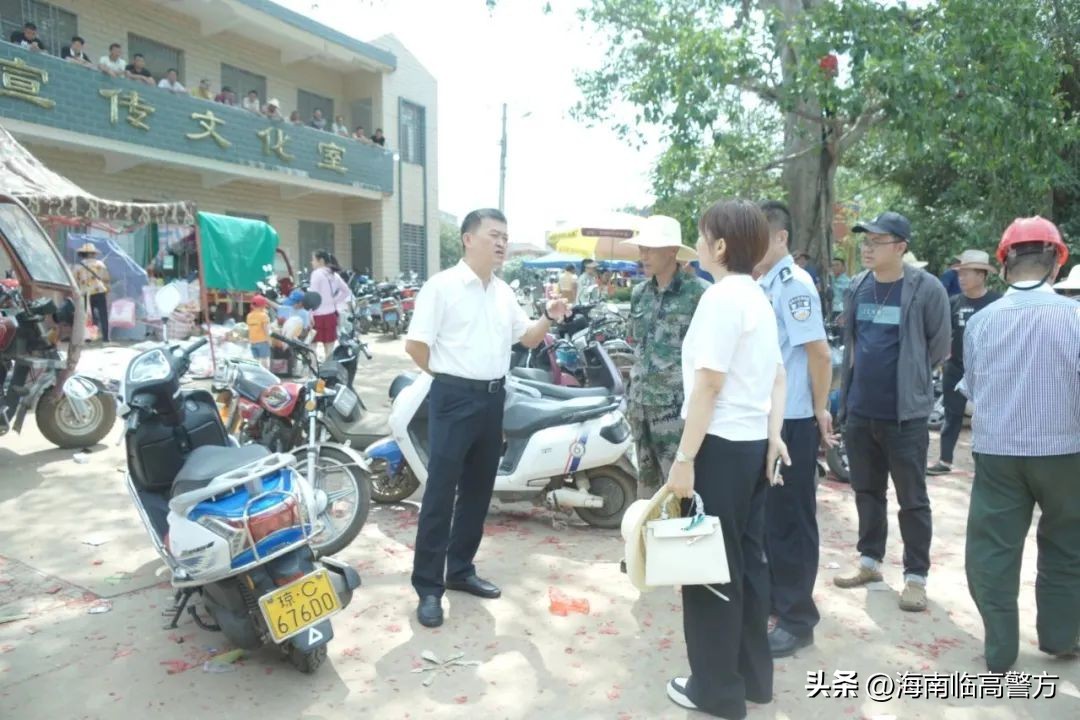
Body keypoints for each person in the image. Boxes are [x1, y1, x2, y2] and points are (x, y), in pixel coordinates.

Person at [404, 208, 568, 629]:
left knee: (478, 492)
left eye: (506, 236)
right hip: (453, 397)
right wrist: (450, 378)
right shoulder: (441, 287)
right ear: (467, 238)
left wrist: (549, 314)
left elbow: (527, 337)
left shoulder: (503, 292)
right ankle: (428, 587)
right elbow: (416, 347)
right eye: (494, 234)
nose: (502, 243)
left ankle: (459, 570)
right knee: (440, 492)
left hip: (494, 398)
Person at [662, 200, 787, 718]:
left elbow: (709, 384)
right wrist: (774, 437)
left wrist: (685, 457)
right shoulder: (757, 296)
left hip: (719, 448)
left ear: (719, 246)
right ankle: (753, 679)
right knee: (746, 565)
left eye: (702, 235)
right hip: (753, 446)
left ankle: (715, 690)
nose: (698, 244)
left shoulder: (720, 299)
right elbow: (778, 377)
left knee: (708, 568)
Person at [962, 216, 1080, 672]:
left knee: (992, 552)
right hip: (1066, 452)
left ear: (1004, 263)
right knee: (1068, 546)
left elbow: (973, 389)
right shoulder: (1074, 317)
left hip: (998, 454)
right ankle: (1060, 637)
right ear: (1056, 263)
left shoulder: (982, 322)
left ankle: (1000, 652)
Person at [834, 211, 950, 613]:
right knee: (867, 492)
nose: (866, 247)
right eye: (865, 240)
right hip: (861, 412)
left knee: (912, 499)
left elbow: (939, 347)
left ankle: (916, 577)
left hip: (906, 417)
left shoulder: (926, 289)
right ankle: (870, 562)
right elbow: (852, 346)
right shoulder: (857, 287)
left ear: (900, 247)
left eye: (877, 241)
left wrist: (913, 381)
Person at [756, 200, 833, 658]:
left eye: (759, 235)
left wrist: (821, 410)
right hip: (770, 416)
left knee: (791, 523)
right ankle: (775, 599)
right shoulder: (764, 283)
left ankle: (798, 619)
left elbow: (819, 353)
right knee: (769, 519)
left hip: (795, 419)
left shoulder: (793, 284)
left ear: (781, 237)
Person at [622, 215, 708, 500]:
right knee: (646, 495)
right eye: (641, 248)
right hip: (640, 408)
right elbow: (638, 347)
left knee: (680, 494)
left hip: (676, 413)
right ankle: (646, 544)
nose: (643, 255)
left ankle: (683, 544)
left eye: (650, 248)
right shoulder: (639, 294)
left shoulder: (699, 295)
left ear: (672, 251)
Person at [926, 249, 1001, 476]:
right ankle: (945, 461)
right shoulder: (953, 302)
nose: (961, 277)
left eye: (967, 273)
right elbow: (942, 332)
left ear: (982, 275)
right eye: (960, 273)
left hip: (990, 370)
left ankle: (989, 465)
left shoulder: (997, 302)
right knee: (952, 415)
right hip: (956, 367)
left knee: (990, 417)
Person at [308, 250, 350, 356]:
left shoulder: (316, 274)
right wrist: (334, 301)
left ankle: (314, 371)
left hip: (317, 316)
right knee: (329, 349)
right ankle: (328, 371)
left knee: (312, 347)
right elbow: (346, 291)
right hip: (331, 315)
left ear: (321, 260)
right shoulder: (334, 275)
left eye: (313, 260)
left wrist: (309, 314)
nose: (311, 262)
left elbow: (313, 296)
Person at [72, 243, 111, 343]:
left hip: (85, 293)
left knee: (88, 316)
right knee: (103, 315)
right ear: (93, 254)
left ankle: (89, 337)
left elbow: (75, 281)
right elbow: (106, 279)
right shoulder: (100, 264)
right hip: (99, 291)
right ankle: (106, 338)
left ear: (83, 254)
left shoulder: (77, 267)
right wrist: (107, 291)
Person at [246, 295, 271, 369]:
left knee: (256, 361)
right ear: (263, 305)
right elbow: (265, 328)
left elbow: (249, 329)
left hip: (252, 341)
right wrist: (269, 339)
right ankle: (266, 375)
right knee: (264, 359)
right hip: (262, 341)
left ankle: (258, 376)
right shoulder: (263, 316)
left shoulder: (249, 316)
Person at [830, 257, 851, 321]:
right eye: (833, 265)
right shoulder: (831, 279)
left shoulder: (847, 282)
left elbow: (849, 299)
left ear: (843, 267)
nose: (834, 267)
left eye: (837, 265)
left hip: (841, 311)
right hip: (831, 311)